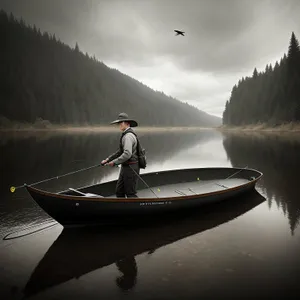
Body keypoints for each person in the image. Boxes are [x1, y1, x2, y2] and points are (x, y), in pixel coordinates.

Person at [101, 112, 140, 198]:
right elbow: (120, 152)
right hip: (126, 167)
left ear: (127, 123)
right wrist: (108, 159)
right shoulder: (126, 135)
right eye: (119, 123)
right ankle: (123, 209)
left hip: (131, 168)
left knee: (130, 193)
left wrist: (114, 163)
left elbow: (127, 154)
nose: (119, 125)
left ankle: (136, 210)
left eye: (121, 123)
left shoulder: (128, 136)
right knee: (119, 191)